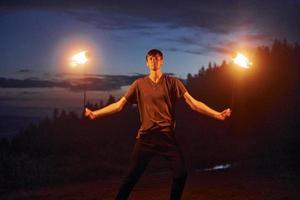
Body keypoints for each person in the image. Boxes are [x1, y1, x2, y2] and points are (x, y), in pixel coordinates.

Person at [85, 49, 231, 200]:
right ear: (147, 62)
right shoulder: (139, 84)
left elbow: (193, 103)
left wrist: (216, 114)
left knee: (181, 174)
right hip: (146, 137)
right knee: (131, 177)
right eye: (150, 59)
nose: (154, 61)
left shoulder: (173, 82)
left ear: (162, 61)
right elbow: (119, 105)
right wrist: (96, 114)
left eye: (157, 58)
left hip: (167, 136)